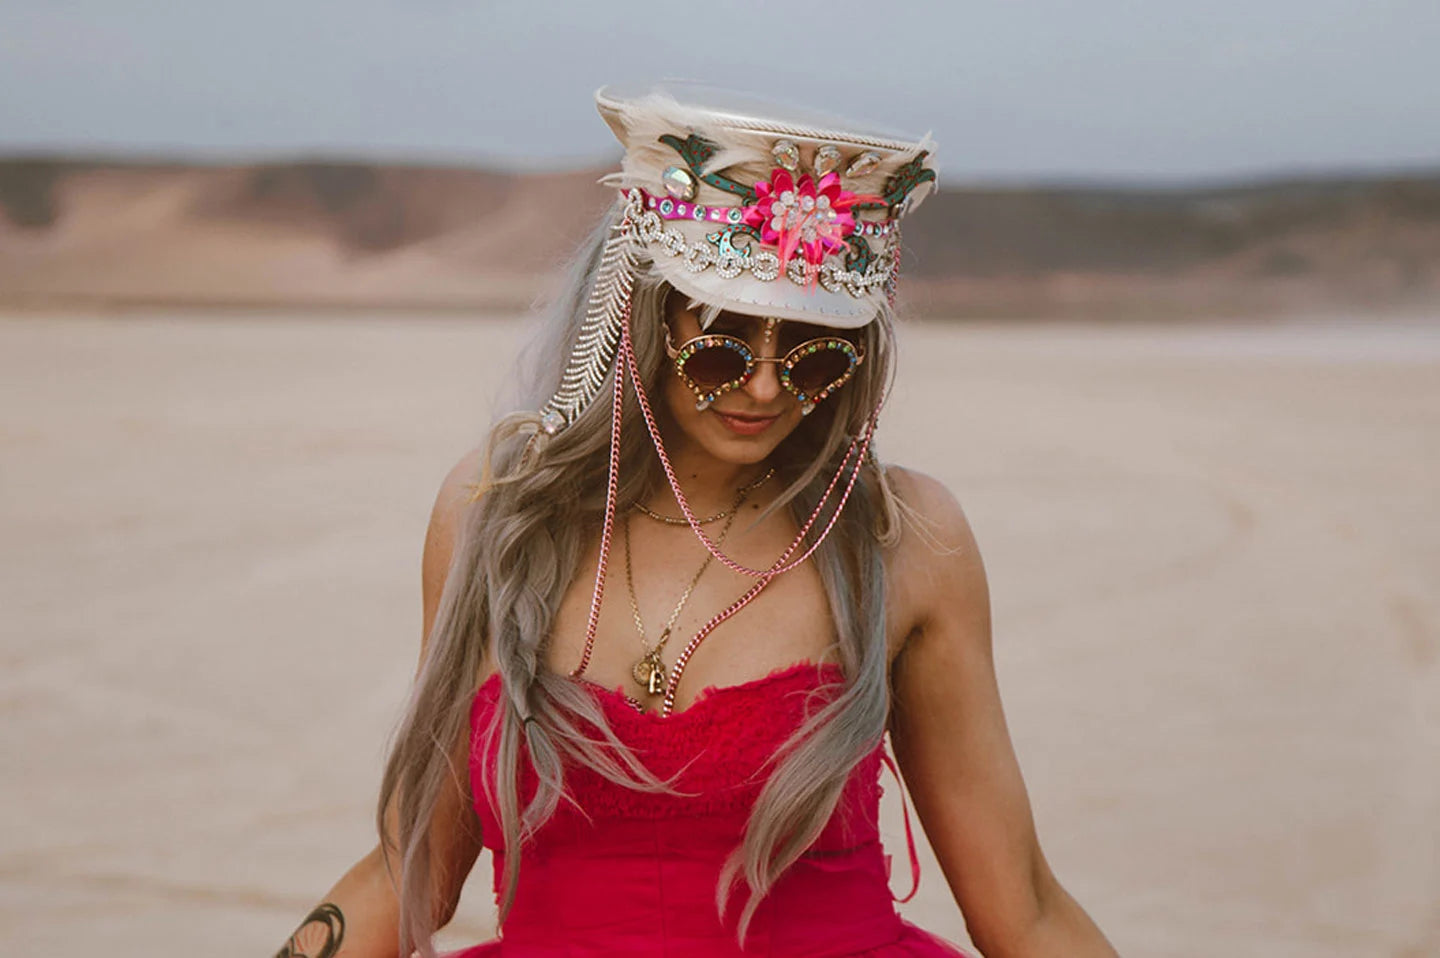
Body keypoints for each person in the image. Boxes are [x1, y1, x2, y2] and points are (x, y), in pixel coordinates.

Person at [274, 85, 1119, 958]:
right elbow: (410, 870)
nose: (762, 387)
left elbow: (1022, 910)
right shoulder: (498, 515)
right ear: (643, 316)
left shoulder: (902, 538)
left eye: (814, 356)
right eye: (719, 347)